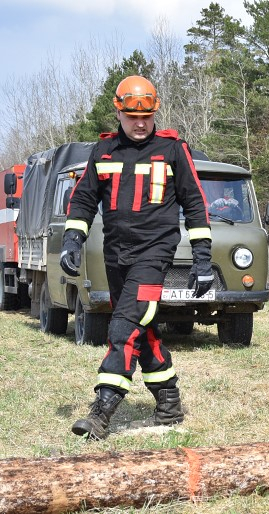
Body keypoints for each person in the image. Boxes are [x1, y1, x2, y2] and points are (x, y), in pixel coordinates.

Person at [65, 75, 213, 440]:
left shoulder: (173, 150)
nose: (141, 123)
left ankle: (102, 409)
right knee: (140, 329)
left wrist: (202, 259)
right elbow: (83, 198)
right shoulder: (103, 151)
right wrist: (72, 239)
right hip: (115, 255)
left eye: (147, 116)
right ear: (118, 113)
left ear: (155, 113)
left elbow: (195, 203)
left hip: (155, 253)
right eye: (133, 117)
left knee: (123, 327)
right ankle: (169, 401)